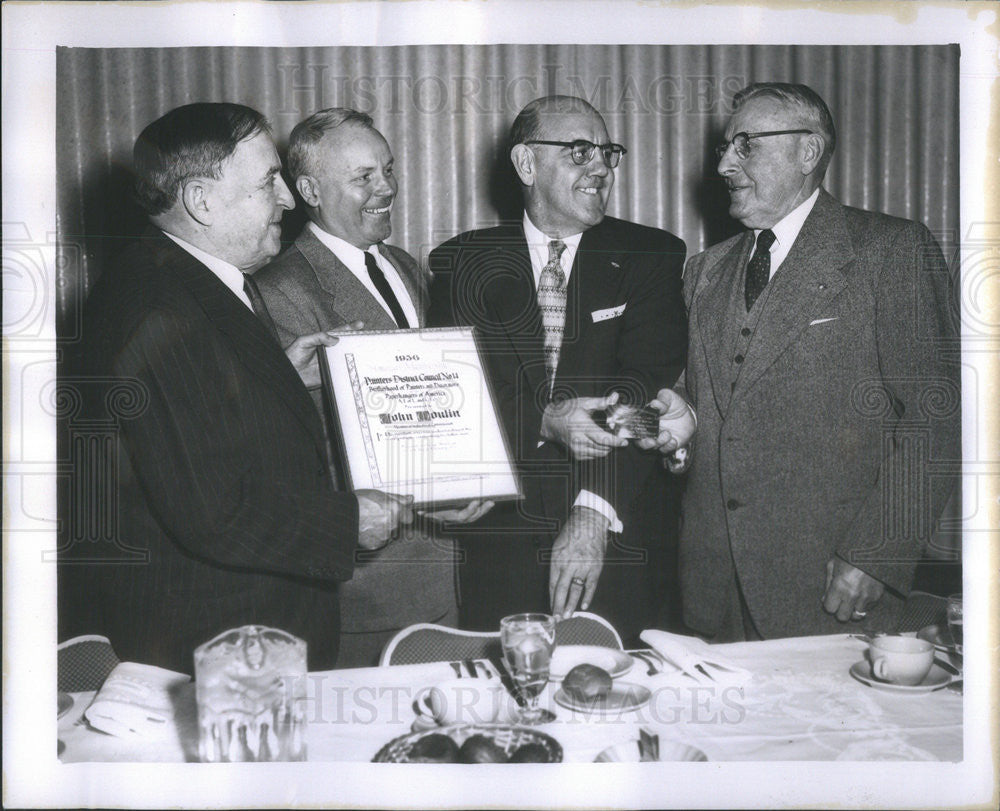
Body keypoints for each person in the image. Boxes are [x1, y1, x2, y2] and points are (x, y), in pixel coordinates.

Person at [58, 103, 413, 673]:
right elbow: (214, 511)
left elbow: (199, 425)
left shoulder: (183, 277)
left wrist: (275, 376)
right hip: (215, 647)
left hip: (244, 628)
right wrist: (347, 521)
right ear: (201, 201)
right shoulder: (157, 308)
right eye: (269, 181)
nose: (290, 200)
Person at [674, 82, 960, 640]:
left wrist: (876, 555)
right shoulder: (703, 271)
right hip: (712, 588)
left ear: (808, 152)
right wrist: (672, 427)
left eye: (746, 144)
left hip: (829, 585)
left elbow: (937, 417)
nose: (725, 163)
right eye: (725, 148)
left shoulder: (889, 249)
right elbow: (703, 406)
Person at [427, 95, 692, 643]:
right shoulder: (462, 264)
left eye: (606, 152)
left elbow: (644, 397)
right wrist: (544, 421)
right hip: (499, 545)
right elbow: (455, 399)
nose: (601, 167)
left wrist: (593, 513)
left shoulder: (652, 255)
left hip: (618, 540)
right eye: (579, 151)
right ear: (526, 164)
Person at [256, 108, 492, 667]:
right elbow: (298, 450)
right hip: (364, 590)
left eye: (387, 169)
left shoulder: (405, 267)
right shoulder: (277, 289)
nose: (386, 188)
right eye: (364, 177)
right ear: (309, 189)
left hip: (443, 573)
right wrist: (429, 501)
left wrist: (468, 478)